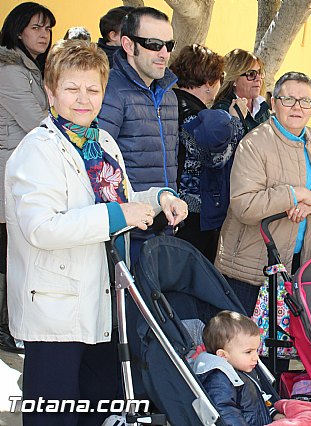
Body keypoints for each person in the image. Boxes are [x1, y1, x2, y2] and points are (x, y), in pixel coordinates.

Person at [4, 39, 188, 426]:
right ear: (51, 92)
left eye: (93, 89)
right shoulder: (37, 150)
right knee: (52, 416)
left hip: (104, 302)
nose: (83, 99)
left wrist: (159, 198)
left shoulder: (100, 142)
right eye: (72, 88)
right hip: (57, 311)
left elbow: (121, 197)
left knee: (98, 410)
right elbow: (42, 228)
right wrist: (118, 215)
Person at [215, 71, 311, 316]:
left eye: (305, 101)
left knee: (282, 351)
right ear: (273, 103)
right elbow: (244, 205)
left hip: (295, 265)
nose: (297, 107)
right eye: (288, 99)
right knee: (242, 349)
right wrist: (295, 194)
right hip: (250, 270)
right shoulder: (254, 143)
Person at [98, 6, 179, 265]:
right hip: (127, 233)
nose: (164, 53)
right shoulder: (109, 92)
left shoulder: (169, 95)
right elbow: (100, 167)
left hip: (164, 224)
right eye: (154, 44)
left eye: (169, 45)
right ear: (128, 44)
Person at [0, 1, 55, 354]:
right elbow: (38, 121)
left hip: (25, 170)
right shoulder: (10, 70)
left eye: (48, 28)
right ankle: (6, 325)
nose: (44, 35)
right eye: (36, 27)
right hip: (11, 172)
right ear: (18, 30)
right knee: (9, 252)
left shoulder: (31, 68)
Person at [170, 44, 245, 263]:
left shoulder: (166, 103)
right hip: (192, 214)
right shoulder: (195, 116)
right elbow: (216, 158)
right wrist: (236, 122)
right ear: (209, 83)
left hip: (167, 205)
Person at [194, 310, 283, 425]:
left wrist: (274, 414)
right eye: (248, 352)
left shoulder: (245, 369)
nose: (256, 357)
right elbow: (225, 413)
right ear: (223, 355)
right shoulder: (219, 379)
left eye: (256, 350)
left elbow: (260, 398)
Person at [212, 48, 270, 135]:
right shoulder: (222, 110)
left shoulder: (263, 108)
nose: (258, 79)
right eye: (251, 74)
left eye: (260, 72)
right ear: (234, 79)